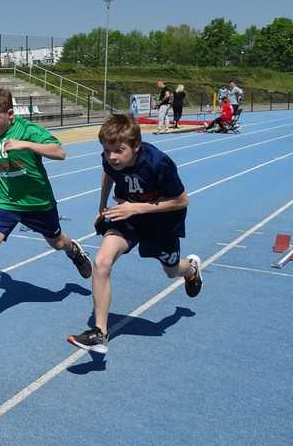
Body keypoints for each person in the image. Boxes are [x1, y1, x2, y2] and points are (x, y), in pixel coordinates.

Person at [0, 88, 92, 332]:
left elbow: (60, 152)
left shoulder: (28, 130)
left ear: (10, 114)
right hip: (6, 201)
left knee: (56, 241)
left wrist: (26, 144)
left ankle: (74, 250)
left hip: (37, 203)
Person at [67, 113, 203, 354]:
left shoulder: (158, 163)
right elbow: (108, 173)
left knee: (171, 270)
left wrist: (137, 207)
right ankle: (100, 332)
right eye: (107, 150)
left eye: (118, 150)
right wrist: (101, 206)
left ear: (136, 146)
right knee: (102, 261)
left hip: (163, 221)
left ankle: (191, 269)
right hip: (127, 215)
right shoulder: (109, 159)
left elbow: (182, 200)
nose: (112, 157)